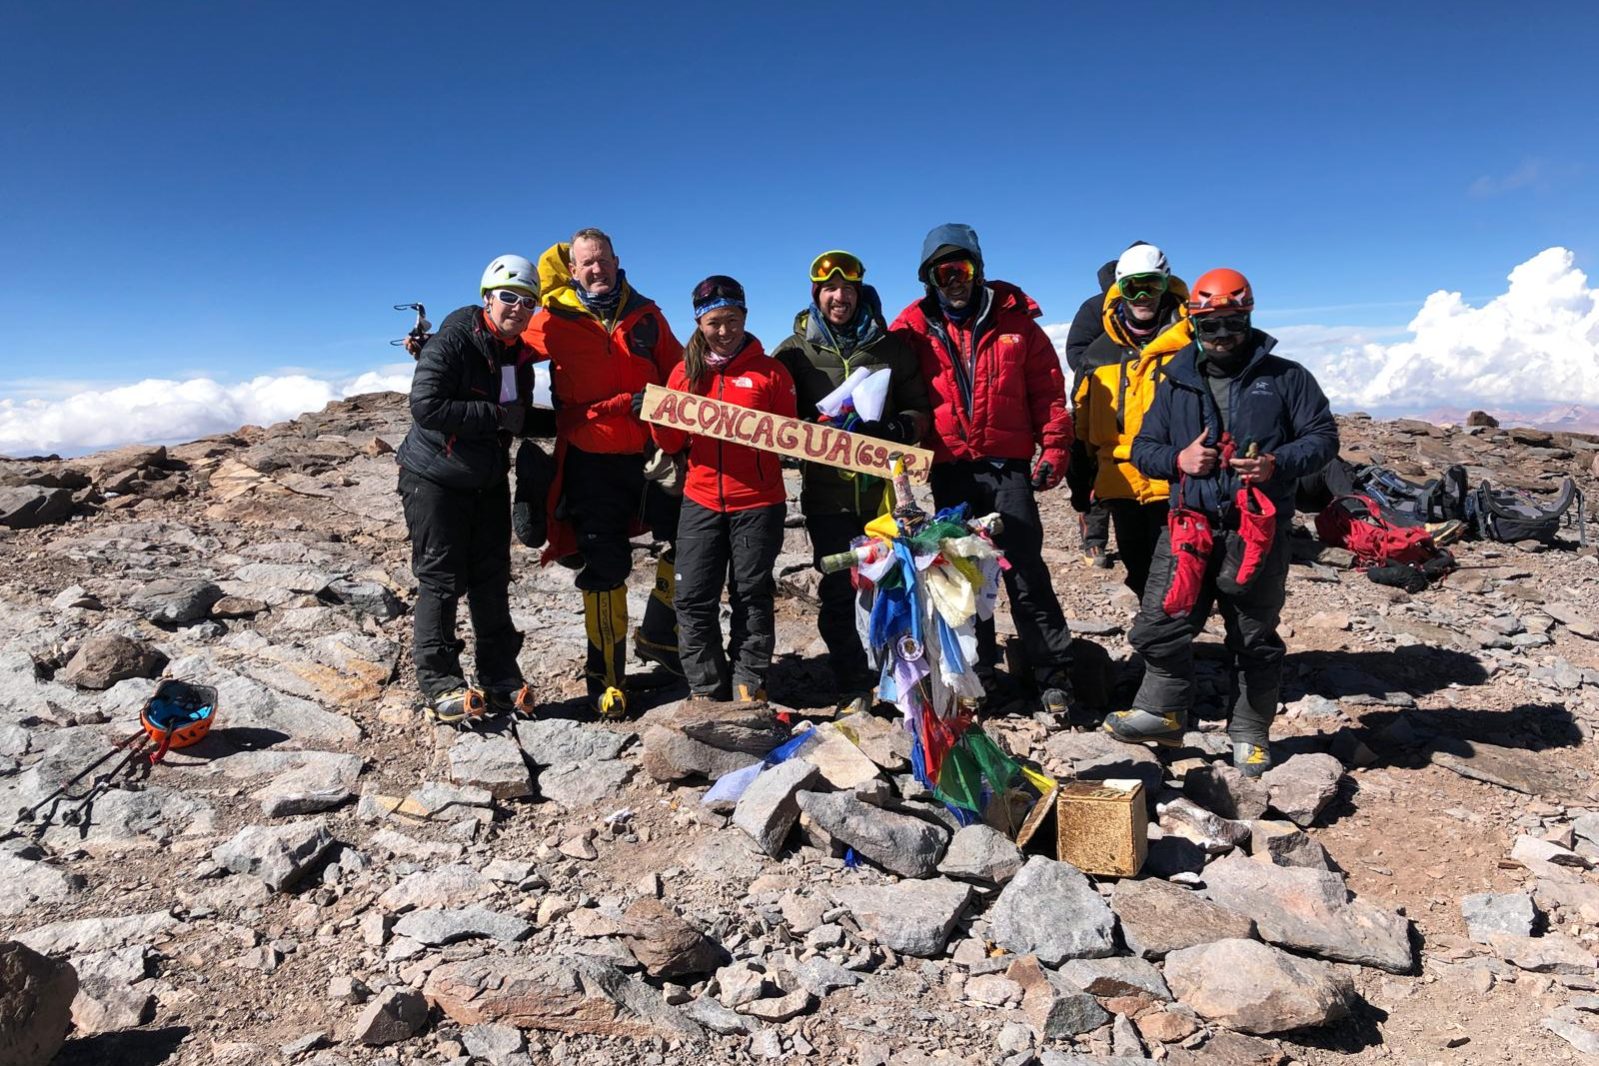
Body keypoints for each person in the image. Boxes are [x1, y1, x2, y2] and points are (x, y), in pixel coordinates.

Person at [1104, 268, 1338, 775]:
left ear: (1249, 318)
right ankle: (1162, 710)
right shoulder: (1175, 381)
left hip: (1258, 529)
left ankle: (1250, 732)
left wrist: (1276, 464)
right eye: (1211, 326)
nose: (1223, 336)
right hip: (1189, 524)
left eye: (1233, 323)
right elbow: (1143, 449)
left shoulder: (1287, 377)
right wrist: (1178, 460)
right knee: (1162, 620)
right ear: (1194, 322)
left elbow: (1322, 439)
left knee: (1253, 633)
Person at [890, 223, 1077, 720]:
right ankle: (978, 676)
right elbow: (885, 389)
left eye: (963, 268)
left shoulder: (1019, 326)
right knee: (965, 580)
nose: (954, 279)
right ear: (928, 277)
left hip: (1007, 468)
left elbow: (1048, 394)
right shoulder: (908, 333)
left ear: (979, 270)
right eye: (942, 271)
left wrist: (1055, 448)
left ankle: (1053, 673)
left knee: (1025, 573)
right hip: (951, 471)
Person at [524, 229, 685, 718]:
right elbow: (501, 343)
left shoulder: (647, 315)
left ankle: (660, 635)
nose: (597, 270)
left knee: (687, 545)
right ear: (573, 270)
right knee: (606, 566)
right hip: (592, 462)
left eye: (603, 261)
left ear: (617, 261)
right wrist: (440, 349)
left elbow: (679, 370)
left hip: (652, 453)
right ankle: (606, 678)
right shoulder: (550, 319)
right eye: (586, 264)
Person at [773, 250, 931, 713]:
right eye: (829, 289)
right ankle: (850, 685)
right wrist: (808, 430)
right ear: (816, 295)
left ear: (859, 292)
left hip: (884, 494)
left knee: (895, 587)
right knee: (838, 590)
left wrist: (898, 429)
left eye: (847, 289)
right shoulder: (794, 351)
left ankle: (901, 681)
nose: (839, 297)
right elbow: (777, 417)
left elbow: (919, 410)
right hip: (827, 495)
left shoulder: (890, 347)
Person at [395, 255, 543, 724]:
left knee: (492, 579)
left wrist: (587, 419)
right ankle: (440, 683)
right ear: (487, 298)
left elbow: (518, 413)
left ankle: (500, 678)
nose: (517, 308)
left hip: (487, 480)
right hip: (434, 478)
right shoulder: (455, 339)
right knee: (441, 580)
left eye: (528, 302)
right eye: (508, 297)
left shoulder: (517, 356)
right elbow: (426, 405)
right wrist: (497, 419)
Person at [652, 276, 797, 704]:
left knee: (751, 595)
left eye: (732, 319)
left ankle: (748, 681)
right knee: (693, 596)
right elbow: (671, 443)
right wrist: (659, 420)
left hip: (758, 501)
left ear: (745, 317)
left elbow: (789, 439)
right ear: (699, 323)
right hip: (700, 500)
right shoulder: (683, 372)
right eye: (714, 321)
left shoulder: (771, 372)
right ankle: (706, 688)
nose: (724, 330)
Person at [1073, 244, 1193, 599]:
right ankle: (1166, 647)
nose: (1142, 296)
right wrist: (1081, 487)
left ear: (1166, 286)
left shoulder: (1191, 346)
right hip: (1120, 487)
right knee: (1142, 576)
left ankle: (1164, 646)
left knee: (1172, 584)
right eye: (1132, 287)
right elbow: (1082, 429)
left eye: (1152, 286)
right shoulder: (1097, 355)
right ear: (1119, 289)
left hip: (1177, 485)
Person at [1063, 255, 1122, 569]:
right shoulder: (1093, 309)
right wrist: (1102, 368)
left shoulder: (1162, 308)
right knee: (1096, 469)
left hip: (1149, 403)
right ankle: (1094, 541)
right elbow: (1076, 352)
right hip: (1100, 399)